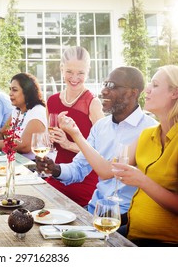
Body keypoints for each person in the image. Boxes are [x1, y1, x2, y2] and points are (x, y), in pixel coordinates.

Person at [57, 65, 178, 246]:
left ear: (174, 93)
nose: (147, 90)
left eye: (155, 85)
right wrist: (75, 134)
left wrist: (141, 180)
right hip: (132, 231)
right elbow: (107, 171)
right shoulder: (148, 135)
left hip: (162, 242)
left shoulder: (150, 130)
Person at [35, 66, 157, 216]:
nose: (104, 91)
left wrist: (75, 135)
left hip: (126, 218)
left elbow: (109, 172)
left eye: (112, 86)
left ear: (134, 92)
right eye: (105, 84)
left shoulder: (151, 130)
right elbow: (78, 168)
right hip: (94, 211)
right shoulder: (101, 127)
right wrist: (54, 169)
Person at [46, 46, 105, 207]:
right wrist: (49, 140)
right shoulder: (51, 101)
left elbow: (103, 153)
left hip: (84, 183)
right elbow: (48, 143)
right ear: (61, 69)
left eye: (81, 73)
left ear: (88, 71)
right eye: (69, 72)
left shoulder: (93, 104)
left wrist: (68, 144)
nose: (74, 78)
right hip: (56, 176)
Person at [0, 72, 47, 160]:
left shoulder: (37, 111)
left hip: (33, 165)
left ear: (27, 92)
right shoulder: (17, 111)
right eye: (10, 89)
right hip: (15, 161)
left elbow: (24, 146)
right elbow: (2, 134)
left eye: (14, 90)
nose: (10, 93)